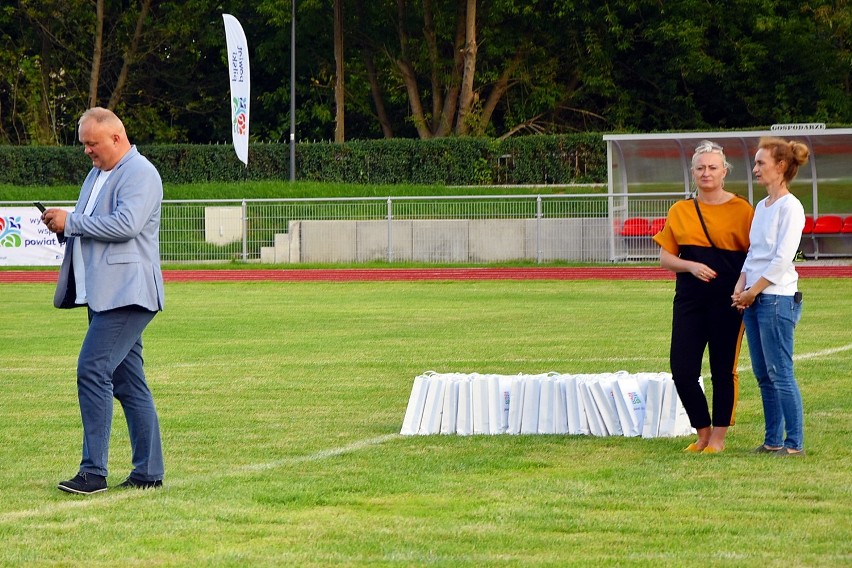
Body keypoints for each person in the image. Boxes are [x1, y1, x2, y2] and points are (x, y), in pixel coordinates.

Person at [41, 107, 166, 494]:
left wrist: (73, 221)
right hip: (103, 294)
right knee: (129, 383)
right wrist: (63, 227)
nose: (87, 152)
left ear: (116, 137)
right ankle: (148, 472)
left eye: (92, 144)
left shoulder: (141, 173)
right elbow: (92, 226)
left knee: (92, 369)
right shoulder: (97, 175)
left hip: (128, 293)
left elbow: (126, 225)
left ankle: (93, 472)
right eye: (84, 145)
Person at [653, 140, 753, 453]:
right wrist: (691, 266)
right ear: (692, 172)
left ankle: (718, 439)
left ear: (724, 172)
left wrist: (744, 289)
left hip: (728, 299)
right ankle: (702, 433)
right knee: (682, 370)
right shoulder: (680, 210)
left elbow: (755, 256)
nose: (706, 173)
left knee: (723, 369)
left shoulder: (742, 210)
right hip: (689, 299)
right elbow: (665, 258)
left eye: (712, 167)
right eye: (700, 168)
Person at [732, 137, 809, 457]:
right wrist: (740, 285)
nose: (755, 169)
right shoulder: (762, 207)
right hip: (755, 297)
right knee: (764, 374)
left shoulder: (791, 207)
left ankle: (794, 445)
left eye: (761, 163)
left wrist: (753, 291)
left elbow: (781, 259)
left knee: (780, 372)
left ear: (781, 167)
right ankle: (772, 440)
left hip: (776, 299)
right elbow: (754, 254)